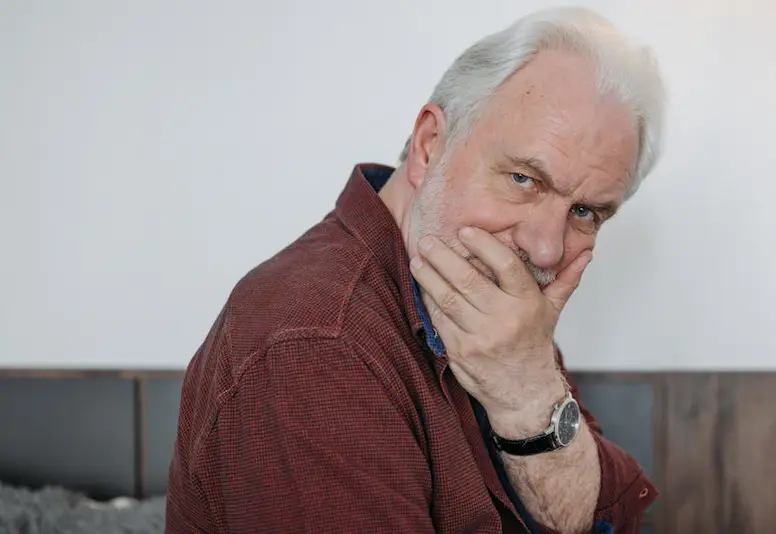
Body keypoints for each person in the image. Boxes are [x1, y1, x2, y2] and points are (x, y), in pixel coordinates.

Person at [165, 6, 666, 534]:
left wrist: (529, 393)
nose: (545, 249)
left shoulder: (491, 304)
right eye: (523, 179)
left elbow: (595, 517)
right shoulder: (315, 344)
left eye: (585, 212)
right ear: (429, 147)